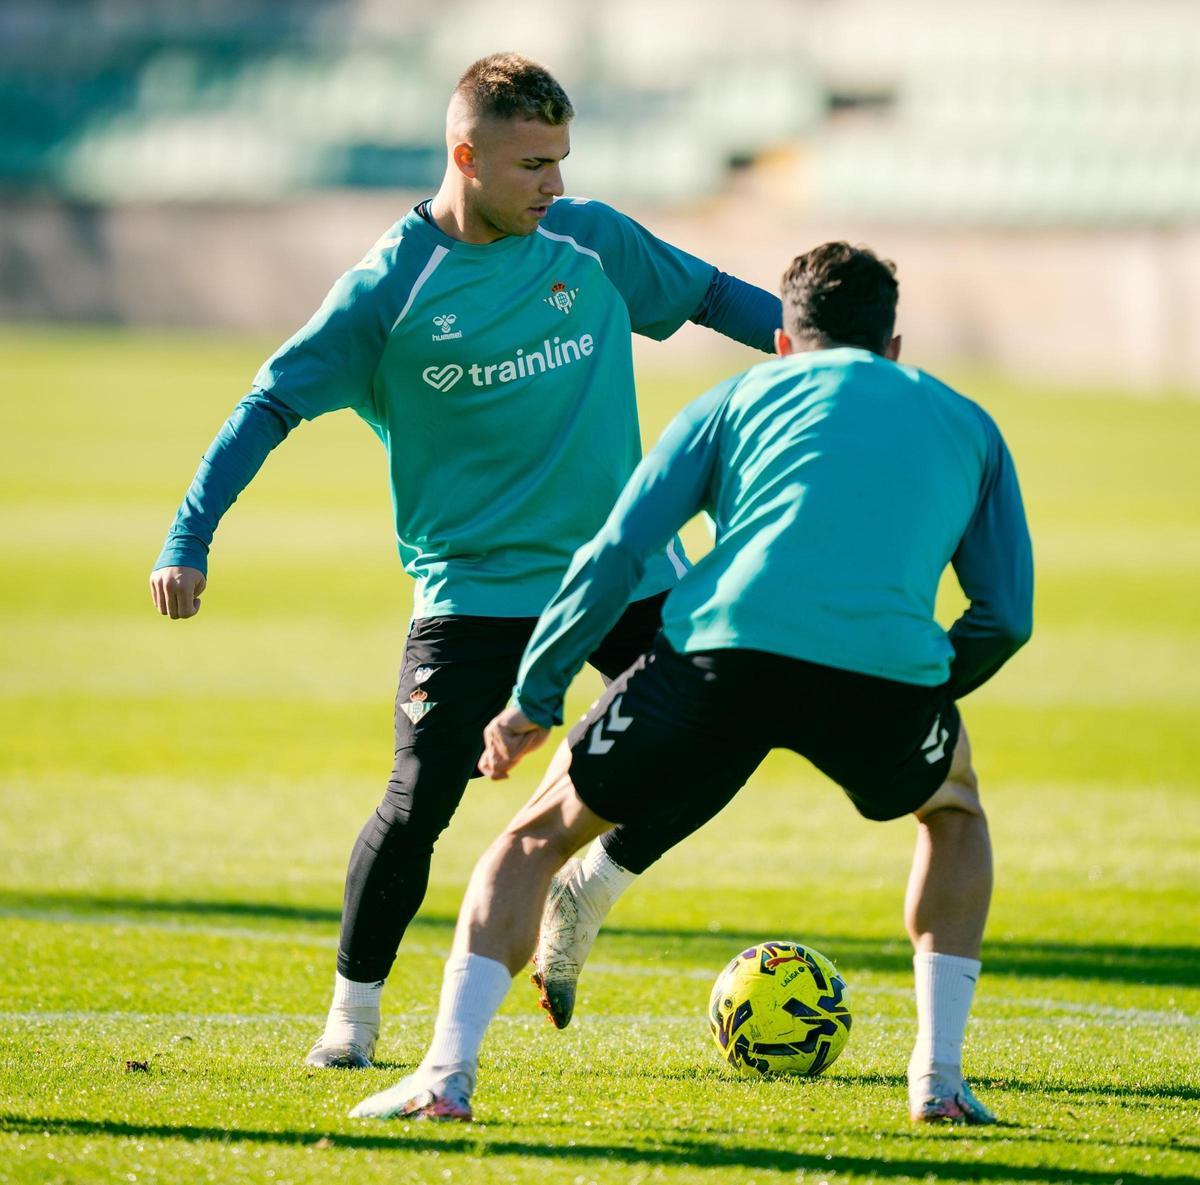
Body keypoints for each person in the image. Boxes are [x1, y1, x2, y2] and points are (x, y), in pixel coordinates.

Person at [149, 53, 781, 1070]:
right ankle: (351, 1020)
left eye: (561, 160)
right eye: (534, 163)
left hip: (625, 571)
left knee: (726, 724)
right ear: (466, 156)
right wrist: (189, 537)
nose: (555, 185)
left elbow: (718, 299)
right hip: (474, 584)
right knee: (418, 801)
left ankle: (591, 884)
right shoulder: (386, 292)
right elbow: (265, 406)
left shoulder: (591, 240)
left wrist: (845, 354)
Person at [349, 242, 1034, 1125]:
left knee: (533, 838)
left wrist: (535, 698)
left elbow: (615, 554)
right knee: (953, 811)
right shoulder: (965, 421)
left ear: (783, 342)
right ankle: (937, 1081)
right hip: (884, 674)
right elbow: (1004, 614)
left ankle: (445, 1076)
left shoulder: (736, 398)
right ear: (893, 347)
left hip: (718, 654)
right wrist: (934, 685)